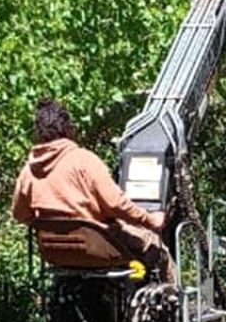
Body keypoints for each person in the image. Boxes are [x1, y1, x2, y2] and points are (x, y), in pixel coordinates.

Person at [11, 98, 167, 262]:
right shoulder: (84, 160)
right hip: (97, 248)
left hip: (54, 253)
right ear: (68, 128)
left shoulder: (28, 171)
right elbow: (115, 203)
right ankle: (171, 287)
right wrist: (149, 219)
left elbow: (20, 214)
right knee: (157, 248)